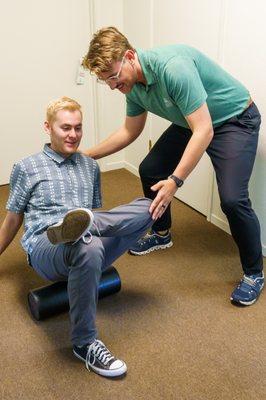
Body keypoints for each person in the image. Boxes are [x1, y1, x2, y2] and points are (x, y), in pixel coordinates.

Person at [82, 26, 264, 306]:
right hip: (191, 121)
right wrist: (86, 155)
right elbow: (129, 132)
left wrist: (176, 181)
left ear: (130, 56)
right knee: (150, 168)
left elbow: (204, 131)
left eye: (114, 78)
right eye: (106, 82)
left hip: (233, 121)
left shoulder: (173, 69)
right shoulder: (132, 85)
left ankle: (254, 273)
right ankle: (161, 233)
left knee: (232, 199)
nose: (113, 87)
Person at [0, 96, 153, 378]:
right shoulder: (26, 167)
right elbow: (12, 219)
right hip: (47, 247)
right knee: (87, 241)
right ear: (48, 128)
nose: (73, 135)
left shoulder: (90, 166)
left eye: (78, 128)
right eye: (65, 128)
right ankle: (84, 343)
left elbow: (95, 210)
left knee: (149, 207)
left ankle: (83, 227)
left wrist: (91, 223)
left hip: (87, 238)